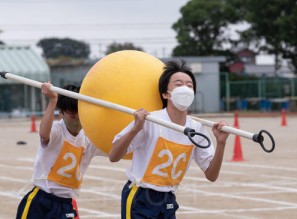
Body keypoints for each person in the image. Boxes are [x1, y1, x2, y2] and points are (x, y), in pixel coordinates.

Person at [109, 60, 230, 219]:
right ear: (166, 94)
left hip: (168, 197)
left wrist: (221, 143)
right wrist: (135, 129)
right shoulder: (149, 121)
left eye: (189, 85)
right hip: (140, 195)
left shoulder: (197, 128)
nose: (185, 89)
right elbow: (113, 156)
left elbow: (212, 175)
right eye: (178, 84)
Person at [16, 82, 106, 219]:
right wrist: (52, 100)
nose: (75, 118)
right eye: (70, 113)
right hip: (41, 200)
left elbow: (115, 152)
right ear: (61, 112)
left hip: (66, 204)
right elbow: (44, 135)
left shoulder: (89, 138)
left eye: (77, 113)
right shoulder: (57, 130)